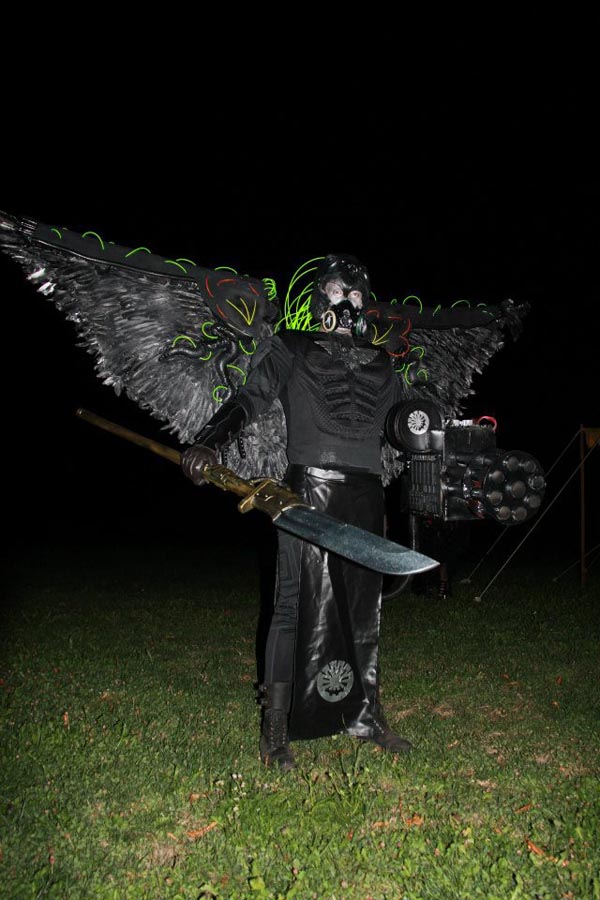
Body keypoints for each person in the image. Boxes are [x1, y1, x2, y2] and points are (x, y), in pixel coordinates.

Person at [181, 254, 413, 770]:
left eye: (357, 295)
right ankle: (276, 729)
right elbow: (251, 398)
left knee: (365, 607)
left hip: (367, 492)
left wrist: (434, 437)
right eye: (337, 291)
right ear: (318, 297)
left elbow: (404, 426)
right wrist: (210, 441)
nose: (348, 302)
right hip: (307, 490)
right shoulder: (292, 345)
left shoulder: (384, 364)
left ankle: (366, 714)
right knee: (291, 604)